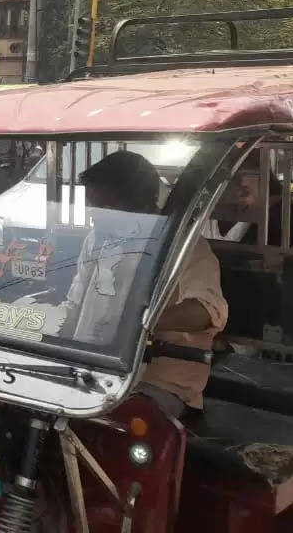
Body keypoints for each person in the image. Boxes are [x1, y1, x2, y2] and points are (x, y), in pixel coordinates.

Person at [61, 150, 226, 418]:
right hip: (95, 370)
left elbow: (205, 311)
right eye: (92, 207)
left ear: (137, 205)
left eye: (105, 209)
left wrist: (136, 323)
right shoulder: (96, 240)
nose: (94, 217)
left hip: (157, 385)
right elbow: (75, 304)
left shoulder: (185, 247)